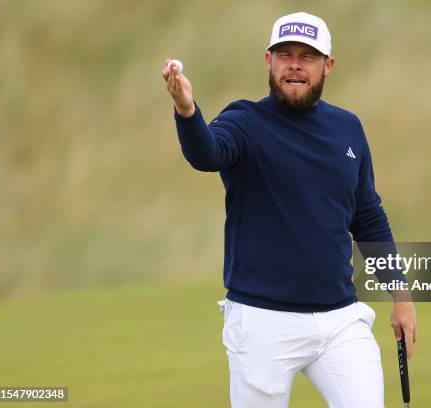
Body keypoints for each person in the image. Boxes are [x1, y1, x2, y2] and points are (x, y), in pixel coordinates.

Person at [162, 11, 416, 408]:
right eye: (285, 54)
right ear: (269, 61)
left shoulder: (348, 128)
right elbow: (206, 153)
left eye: (307, 56)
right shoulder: (245, 121)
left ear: (327, 66)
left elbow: (367, 216)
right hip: (262, 321)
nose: (295, 64)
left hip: (339, 319)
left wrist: (401, 297)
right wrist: (187, 110)